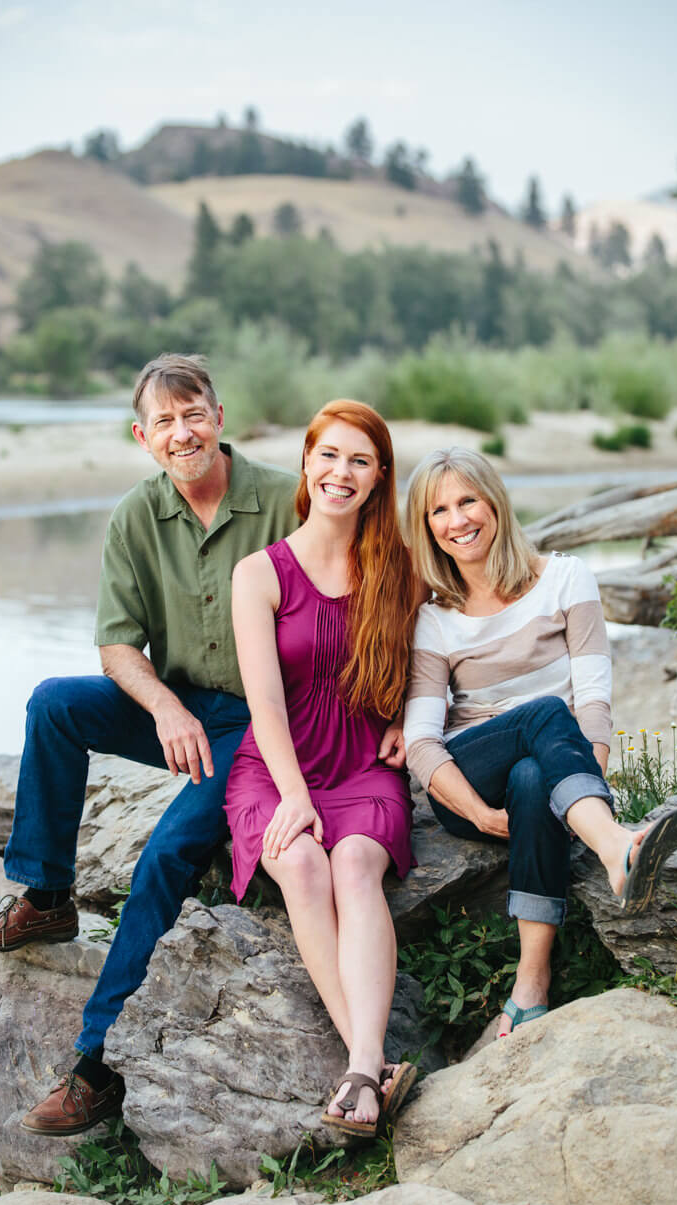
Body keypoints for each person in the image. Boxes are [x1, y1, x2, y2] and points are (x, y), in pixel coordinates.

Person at [0, 353, 299, 1134]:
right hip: (180, 704)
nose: (183, 433)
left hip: (261, 722)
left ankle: (95, 1066)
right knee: (56, 704)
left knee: (167, 851)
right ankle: (47, 897)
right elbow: (116, 647)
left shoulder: (287, 499)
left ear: (219, 417)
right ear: (142, 436)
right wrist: (164, 710)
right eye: (165, 423)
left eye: (195, 415)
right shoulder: (134, 517)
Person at [403, 447, 677, 1037]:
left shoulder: (565, 576)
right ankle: (616, 846)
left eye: (467, 501)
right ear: (426, 526)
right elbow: (423, 743)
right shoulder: (432, 619)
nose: (456, 521)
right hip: (469, 777)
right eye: (439, 511)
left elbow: (595, 700)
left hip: (545, 772)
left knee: (538, 773)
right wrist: (479, 813)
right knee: (543, 713)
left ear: (494, 503)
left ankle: (531, 985)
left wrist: (585, 777)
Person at [225, 399, 420, 1137]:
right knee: (301, 866)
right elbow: (263, 702)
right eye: (329, 455)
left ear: (377, 478)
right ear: (306, 464)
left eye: (359, 461)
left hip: (362, 760)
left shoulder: (399, 567)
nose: (341, 473)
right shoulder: (259, 573)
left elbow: (433, 657)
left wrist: (408, 717)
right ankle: (370, 1069)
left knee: (355, 866)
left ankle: (360, 1071)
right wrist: (294, 796)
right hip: (278, 764)